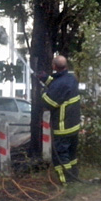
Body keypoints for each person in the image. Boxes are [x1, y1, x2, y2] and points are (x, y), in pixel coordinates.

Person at [41, 55, 81, 185]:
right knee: (71, 154)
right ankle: (74, 176)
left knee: (61, 155)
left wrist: (43, 93)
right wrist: (45, 79)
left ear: (54, 66)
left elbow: (49, 103)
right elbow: (59, 85)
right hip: (74, 125)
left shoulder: (59, 84)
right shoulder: (71, 78)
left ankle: (66, 182)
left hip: (63, 126)